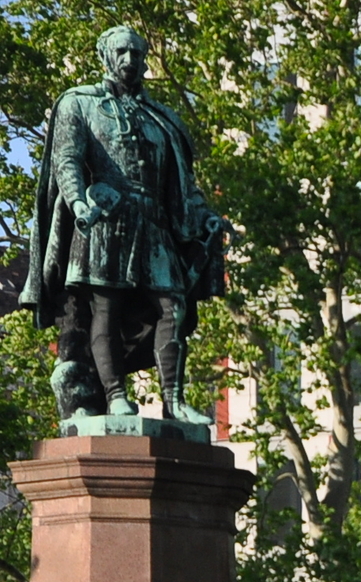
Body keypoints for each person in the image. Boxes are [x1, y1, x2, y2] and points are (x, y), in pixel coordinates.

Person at [16, 26, 228, 424]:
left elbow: (182, 184)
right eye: (122, 52)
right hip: (104, 221)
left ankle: (174, 400)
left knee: (174, 307)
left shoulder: (161, 119)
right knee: (105, 310)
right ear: (105, 56)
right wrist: (79, 201)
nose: (130, 60)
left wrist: (203, 215)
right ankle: (114, 395)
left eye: (136, 53)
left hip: (153, 223)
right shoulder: (79, 104)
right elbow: (67, 160)